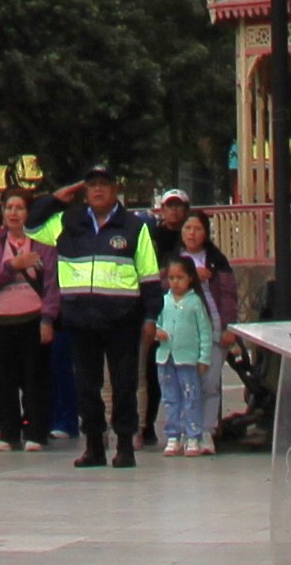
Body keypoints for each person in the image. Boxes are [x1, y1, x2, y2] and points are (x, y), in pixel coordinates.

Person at [37, 163, 163, 469]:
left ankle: (125, 446)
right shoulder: (68, 222)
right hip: (81, 320)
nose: (97, 190)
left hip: (123, 320)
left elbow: (149, 276)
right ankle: (94, 446)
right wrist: (54, 200)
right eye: (91, 185)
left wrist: (150, 316)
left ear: (114, 189)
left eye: (103, 184)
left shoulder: (134, 227)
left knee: (124, 385)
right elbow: (32, 224)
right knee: (86, 387)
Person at [0, 190, 57, 450]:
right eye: (9, 207)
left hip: (33, 319)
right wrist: (13, 265)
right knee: (3, 381)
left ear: (28, 213)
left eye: (19, 208)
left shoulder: (42, 243)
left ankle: (36, 432)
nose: (13, 213)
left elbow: (52, 285)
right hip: (1, 322)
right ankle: (9, 434)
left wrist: (48, 319)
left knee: (35, 379)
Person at [157, 261, 222, 456]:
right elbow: (156, 323)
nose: (175, 282)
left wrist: (204, 358)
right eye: (171, 278)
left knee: (191, 397)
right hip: (166, 358)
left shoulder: (195, 302)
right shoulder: (164, 301)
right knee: (170, 398)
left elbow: (205, 332)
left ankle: (193, 435)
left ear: (190, 279)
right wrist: (157, 332)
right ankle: (173, 436)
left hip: (188, 360)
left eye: (180, 277)